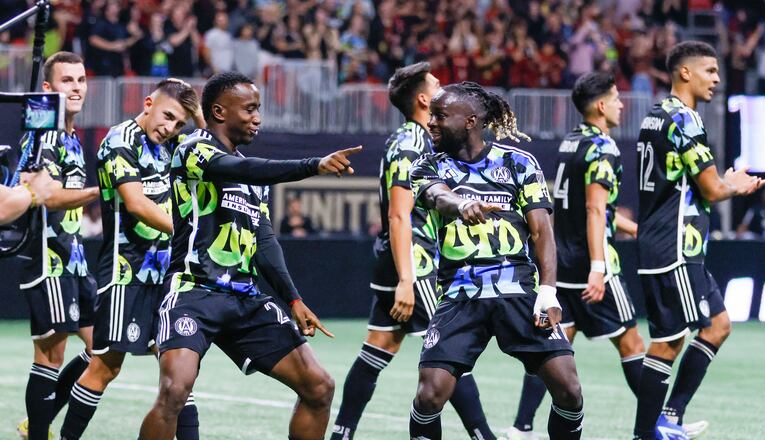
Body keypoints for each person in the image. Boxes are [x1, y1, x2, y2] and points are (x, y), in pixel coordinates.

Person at [137, 72, 362, 440]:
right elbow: (240, 168)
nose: (258, 118)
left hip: (246, 299)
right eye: (250, 109)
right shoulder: (192, 148)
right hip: (194, 293)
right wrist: (312, 165)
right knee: (175, 390)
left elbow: (266, 242)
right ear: (220, 111)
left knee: (319, 387)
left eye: (259, 109)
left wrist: (293, 299)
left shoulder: (251, 177)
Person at [408, 81, 584, 440]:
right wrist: (462, 204)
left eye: (440, 116)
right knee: (429, 396)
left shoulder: (519, 162)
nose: (431, 123)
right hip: (460, 293)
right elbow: (439, 198)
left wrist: (548, 291)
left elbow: (542, 233)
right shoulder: (427, 166)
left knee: (570, 390)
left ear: (470, 121)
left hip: (518, 291)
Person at [330, 63, 495, 440]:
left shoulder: (411, 139)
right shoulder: (412, 143)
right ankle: (484, 435)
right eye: (436, 85)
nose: (443, 88)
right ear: (423, 98)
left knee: (378, 348)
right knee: (450, 358)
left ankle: (342, 433)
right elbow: (399, 214)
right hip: (415, 262)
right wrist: (407, 279)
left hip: (399, 258)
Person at [633, 41, 765, 440]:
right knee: (667, 344)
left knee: (718, 325)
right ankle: (646, 433)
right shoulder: (685, 119)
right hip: (674, 247)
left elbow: (682, 181)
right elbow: (711, 189)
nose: (717, 79)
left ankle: (669, 418)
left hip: (674, 245)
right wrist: (736, 185)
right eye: (710, 71)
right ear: (685, 73)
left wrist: (718, 182)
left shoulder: (655, 116)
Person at [58, 78, 202, 440]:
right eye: (167, 116)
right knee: (105, 367)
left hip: (167, 276)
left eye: (178, 123)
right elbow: (136, 204)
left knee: (180, 374)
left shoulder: (173, 143)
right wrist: (190, 231)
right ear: (149, 103)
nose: (170, 127)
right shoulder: (118, 142)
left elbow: (213, 147)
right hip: (126, 274)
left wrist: (198, 118)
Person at [506, 72, 645, 440]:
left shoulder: (571, 142)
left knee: (554, 348)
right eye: (616, 98)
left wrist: (634, 230)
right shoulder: (604, 148)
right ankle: (655, 424)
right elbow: (595, 212)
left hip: (562, 265)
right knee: (632, 343)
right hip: (589, 266)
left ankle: (521, 427)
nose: (621, 104)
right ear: (601, 106)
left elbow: (593, 209)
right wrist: (598, 267)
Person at [15, 51, 99, 440]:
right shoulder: (46, 134)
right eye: (68, 81)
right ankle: (39, 433)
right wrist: (103, 191)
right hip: (48, 257)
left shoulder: (72, 136)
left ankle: (39, 423)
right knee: (51, 354)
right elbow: (46, 195)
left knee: (101, 350)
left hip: (74, 258)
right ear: (48, 89)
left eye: (81, 80)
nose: (77, 87)